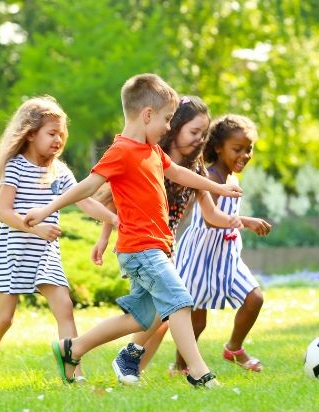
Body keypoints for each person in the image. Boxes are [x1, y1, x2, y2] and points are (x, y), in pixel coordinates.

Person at [24, 74, 242, 388]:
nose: (169, 127)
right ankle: (198, 371)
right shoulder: (122, 151)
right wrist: (46, 210)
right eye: (167, 119)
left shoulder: (151, 151)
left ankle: (74, 348)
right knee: (179, 301)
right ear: (147, 115)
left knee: (142, 319)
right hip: (140, 249)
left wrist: (214, 186)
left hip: (155, 246)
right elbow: (88, 186)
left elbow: (179, 172)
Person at [0, 96, 118, 385]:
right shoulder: (16, 167)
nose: (58, 139)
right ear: (31, 134)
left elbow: (85, 202)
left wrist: (113, 219)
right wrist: (35, 229)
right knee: (5, 318)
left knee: (64, 307)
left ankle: (75, 374)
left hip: (44, 254)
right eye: (51, 133)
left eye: (61, 134)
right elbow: (4, 212)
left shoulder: (60, 171)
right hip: (13, 251)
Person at [90, 96, 242, 384]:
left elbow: (210, 214)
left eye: (203, 134)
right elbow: (116, 201)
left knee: (157, 317)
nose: (200, 140)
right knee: (170, 306)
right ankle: (191, 372)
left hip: (164, 243)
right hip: (141, 243)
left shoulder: (194, 168)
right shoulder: (149, 154)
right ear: (176, 127)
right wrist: (103, 237)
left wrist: (240, 220)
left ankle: (126, 365)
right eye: (194, 132)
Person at [174, 114, 271, 373]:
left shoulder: (231, 179)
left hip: (226, 256)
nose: (244, 155)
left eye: (248, 149)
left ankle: (234, 348)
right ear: (218, 147)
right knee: (197, 321)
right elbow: (209, 220)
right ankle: (180, 366)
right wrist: (246, 221)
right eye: (237, 149)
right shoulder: (212, 177)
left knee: (254, 298)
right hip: (200, 255)